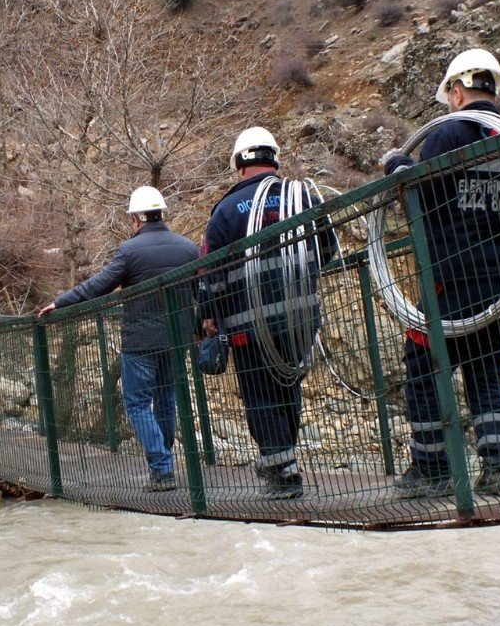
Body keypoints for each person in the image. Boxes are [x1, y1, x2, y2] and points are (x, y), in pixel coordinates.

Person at [380, 48, 500, 498]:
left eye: (449, 96)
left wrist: (398, 170)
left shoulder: (447, 134)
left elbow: (420, 204)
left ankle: (432, 467)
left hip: (453, 278)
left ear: (458, 92)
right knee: (485, 369)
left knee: (423, 364)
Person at [200, 127, 338, 500]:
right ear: (274, 159)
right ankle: (284, 460)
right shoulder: (303, 196)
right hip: (299, 317)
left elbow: (210, 272)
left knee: (260, 394)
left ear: (239, 164)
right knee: (288, 385)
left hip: (248, 323)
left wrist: (209, 314)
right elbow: (327, 249)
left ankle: (282, 473)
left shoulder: (227, 209)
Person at [38, 186, 198, 492]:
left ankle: (162, 469)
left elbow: (98, 286)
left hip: (140, 340)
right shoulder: (187, 247)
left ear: (136, 218)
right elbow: (198, 292)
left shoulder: (130, 251)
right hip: (177, 340)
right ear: (161, 213)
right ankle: (165, 465)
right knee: (167, 401)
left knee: (137, 403)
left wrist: (61, 302)